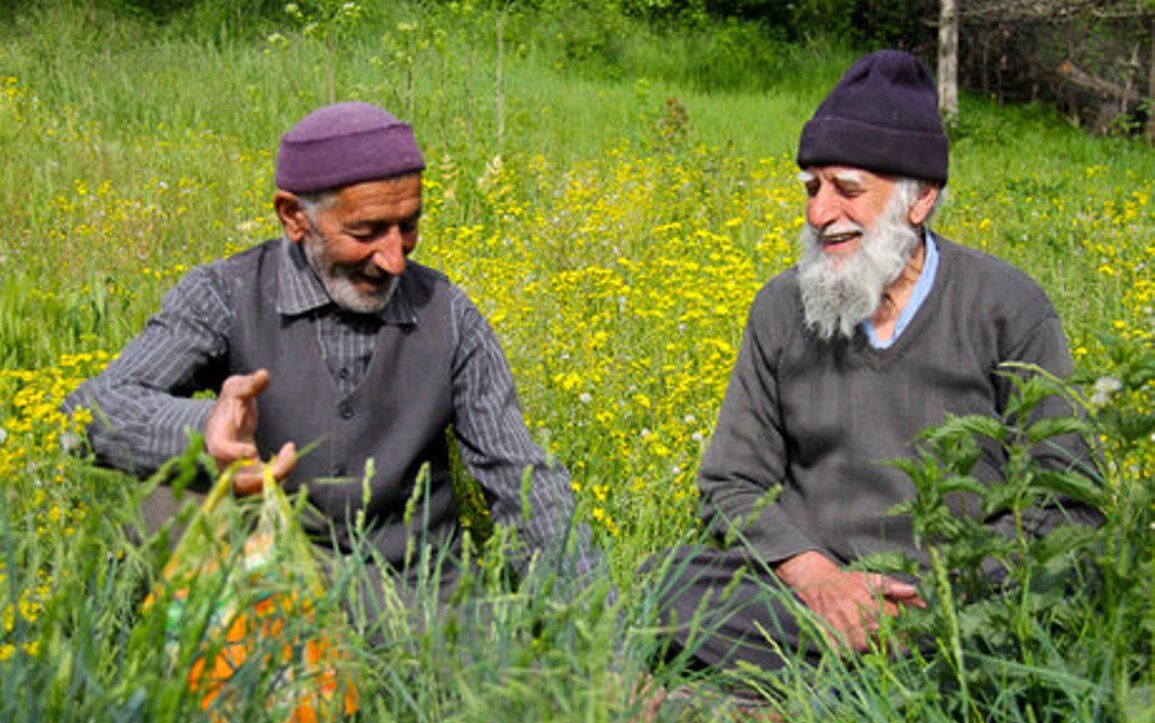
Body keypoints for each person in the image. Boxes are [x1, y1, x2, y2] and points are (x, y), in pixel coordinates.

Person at [652, 50, 1101, 676]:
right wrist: (820, 582)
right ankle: (864, 686)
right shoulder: (782, 309)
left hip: (958, 600)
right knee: (665, 583)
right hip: (812, 594)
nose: (818, 213)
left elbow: (1071, 501)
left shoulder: (1008, 308)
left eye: (847, 189)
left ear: (919, 201)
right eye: (812, 187)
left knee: (1050, 607)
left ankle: (813, 690)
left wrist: (939, 597)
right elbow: (732, 483)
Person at [65, 101, 596, 618]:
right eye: (366, 232)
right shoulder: (225, 295)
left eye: (408, 226)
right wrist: (203, 430)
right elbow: (89, 412)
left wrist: (606, 648)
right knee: (168, 497)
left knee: (519, 678)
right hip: (271, 583)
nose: (393, 258)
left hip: (421, 605)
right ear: (294, 217)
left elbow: (521, 480)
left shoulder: (449, 315)